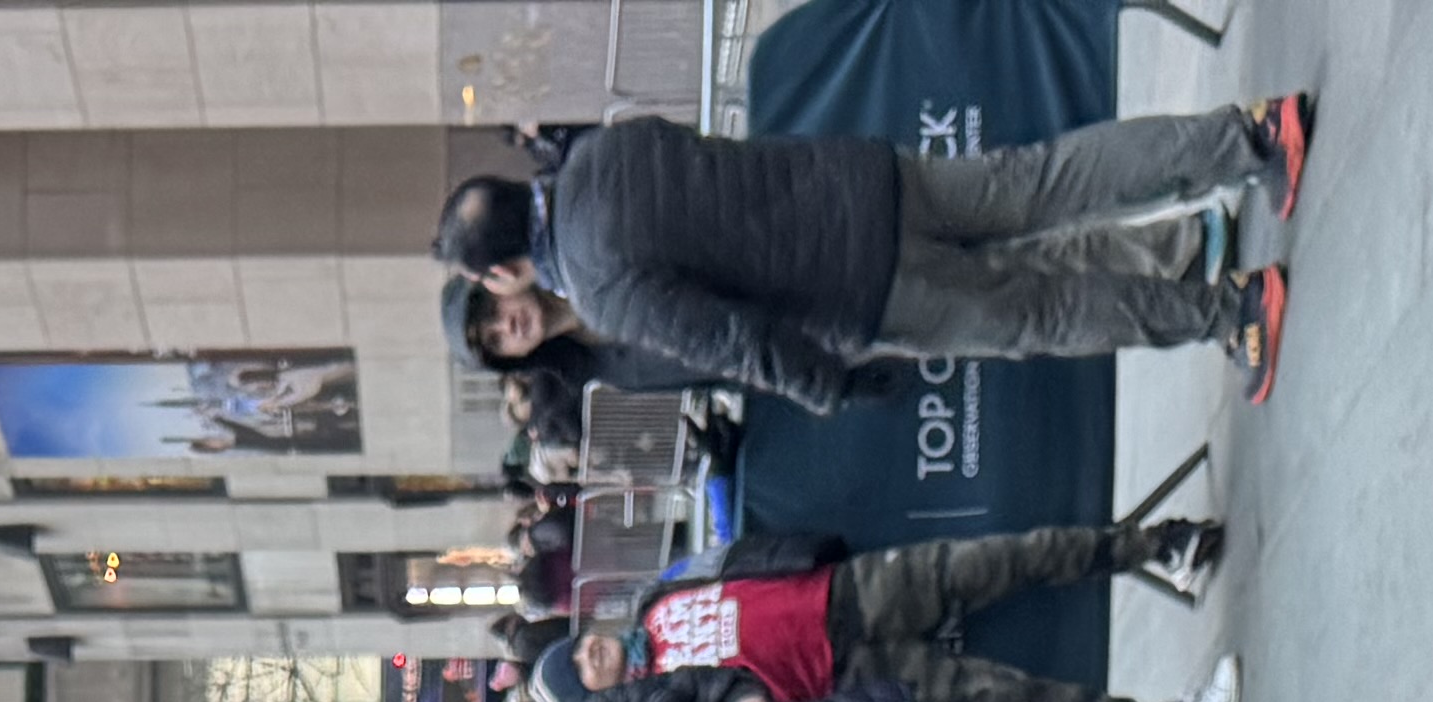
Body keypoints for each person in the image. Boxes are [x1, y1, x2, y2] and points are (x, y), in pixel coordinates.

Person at [433, 111, 1303, 409]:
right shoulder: (603, 151)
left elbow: (735, 340)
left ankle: (1231, 312)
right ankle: (1252, 135)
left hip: (861, 288)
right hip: (863, 180)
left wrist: (830, 388)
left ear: (501, 270)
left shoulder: (606, 290)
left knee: (1043, 314)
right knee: (1052, 178)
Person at [569, 521, 1221, 702]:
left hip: (847, 592)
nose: (586, 655)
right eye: (577, 672)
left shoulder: (659, 598)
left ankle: (1159, 545)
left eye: (576, 649)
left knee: (1006, 559)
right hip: (847, 677)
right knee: (1010, 700)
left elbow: (727, 557)